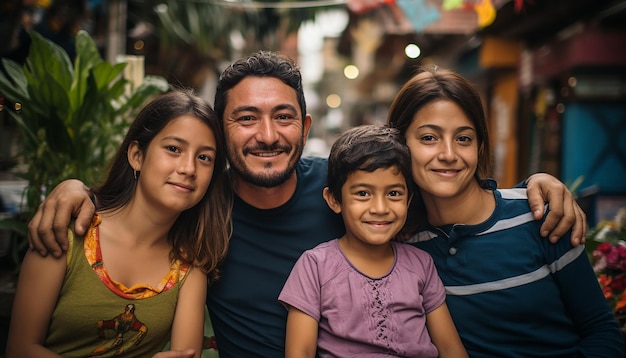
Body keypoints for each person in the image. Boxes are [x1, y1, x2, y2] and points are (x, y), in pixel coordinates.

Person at [27, 51, 587, 357]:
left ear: (307, 126)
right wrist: (77, 190)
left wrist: (536, 185)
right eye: (246, 118)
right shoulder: (200, 203)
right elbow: (143, 196)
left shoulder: (350, 193)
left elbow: (443, 191)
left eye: (284, 116)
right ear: (221, 135)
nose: (267, 134)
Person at [387, 66, 623, 357]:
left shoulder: (539, 216)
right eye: (428, 138)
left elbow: (601, 332)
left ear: (480, 145)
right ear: (400, 146)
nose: (448, 154)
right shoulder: (401, 244)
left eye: (463, 138)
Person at [7, 89, 232, 358]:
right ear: (137, 155)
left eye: (204, 157)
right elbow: (20, 349)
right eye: (173, 149)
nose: (188, 168)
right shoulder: (67, 230)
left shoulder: (189, 265)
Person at [278, 124, 468, 357]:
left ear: (408, 200)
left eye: (394, 193)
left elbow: (450, 349)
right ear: (335, 200)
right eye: (363, 193)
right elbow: (300, 353)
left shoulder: (421, 264)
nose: (380, 208)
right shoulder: (315, 266)